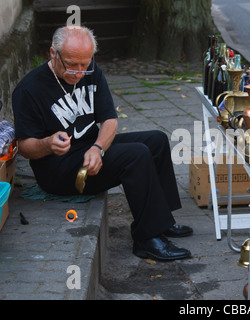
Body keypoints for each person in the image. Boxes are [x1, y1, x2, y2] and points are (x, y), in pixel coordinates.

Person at [12, 26, 192, 261]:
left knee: (156, 140)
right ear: (52, 54)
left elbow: (109, 120)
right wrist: (47, 143)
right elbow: (24, 148)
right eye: (70, 64)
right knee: (136, 154)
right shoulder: (28, 89)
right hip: (58, 170)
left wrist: (98, 148)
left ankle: (161, 220)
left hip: (89, 150)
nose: (78, 72)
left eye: (84, 64)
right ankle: (147, 239)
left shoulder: (90, 70)